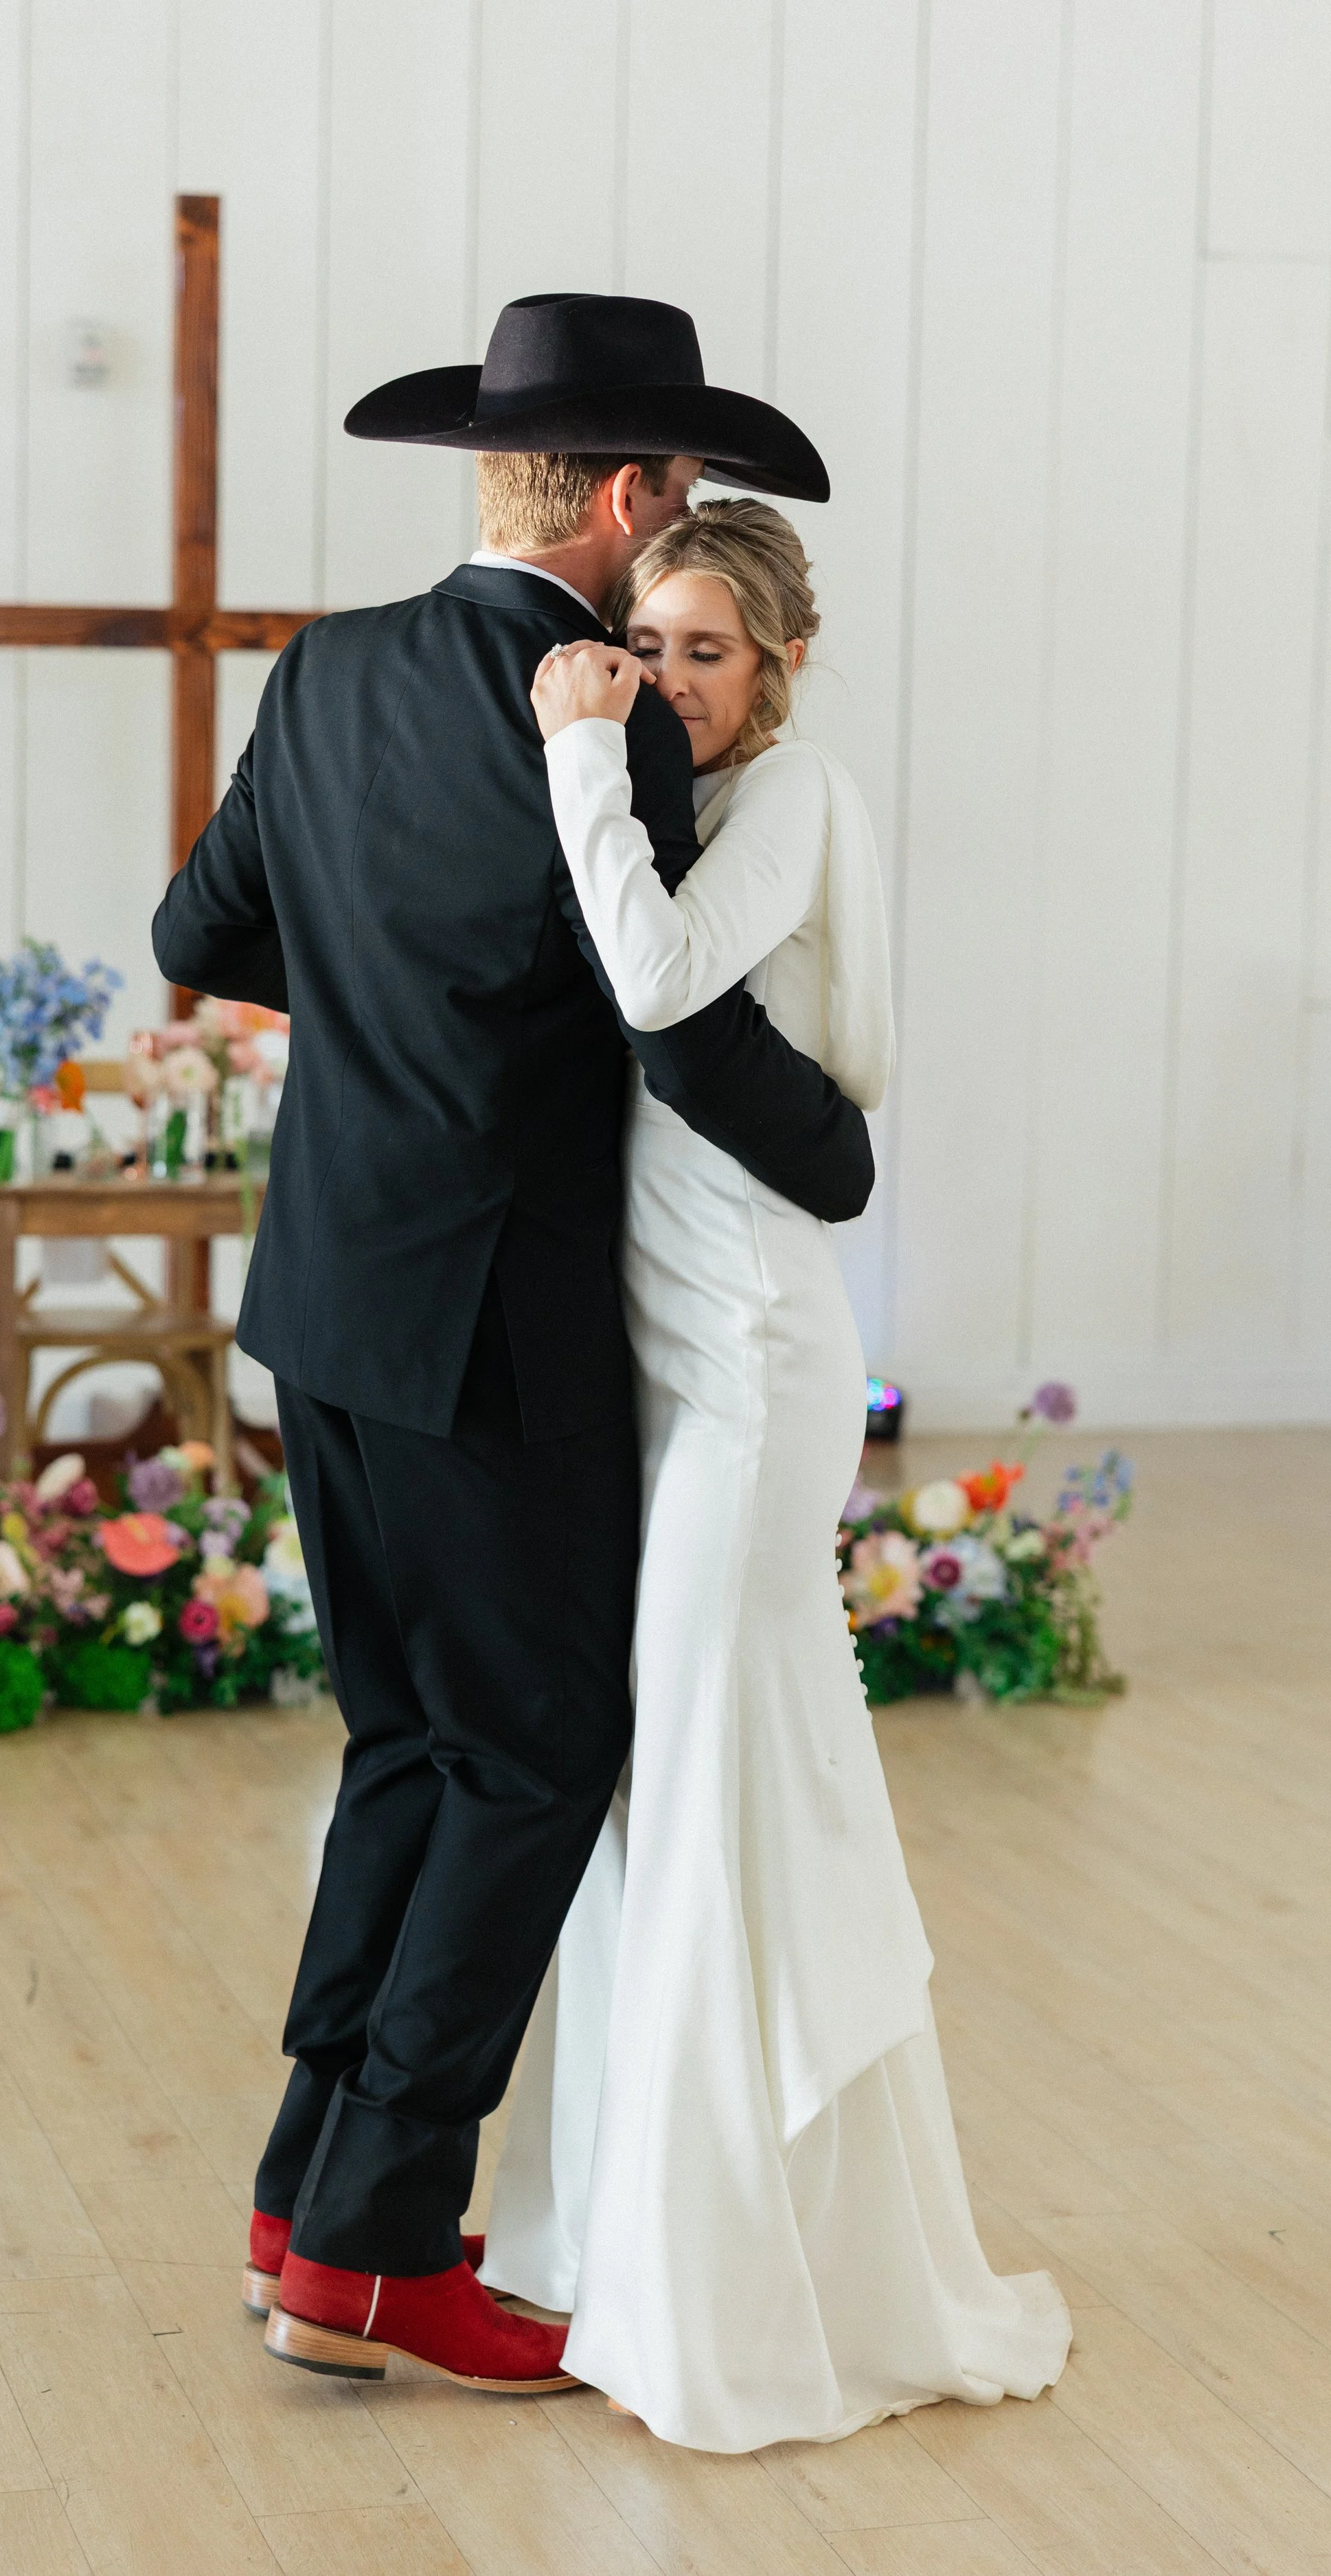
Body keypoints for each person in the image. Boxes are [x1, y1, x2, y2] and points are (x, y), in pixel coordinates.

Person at [152, 294, 871, 2395]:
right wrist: (829, 1152)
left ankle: (309, 2187)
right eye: (682, 496)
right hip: (495, 1328)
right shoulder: (605, 718)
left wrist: (376, 992)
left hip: (325, 1301)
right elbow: (659, 1000)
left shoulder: (327, 667)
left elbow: (202, 936)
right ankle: (372, 2243)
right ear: (633, 489)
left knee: (407, 1742)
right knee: (536, 1747)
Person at [483, 498, 1073, 2448]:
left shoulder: (789, 793)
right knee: (672, 1790)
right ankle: (638, 2236)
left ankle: (730, 2282)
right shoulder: (692, 804)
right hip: (660, 1360)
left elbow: (658, 988)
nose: (660, 679)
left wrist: (575, 742)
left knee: (721, 1783)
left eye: (698, 650)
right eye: (639, 645)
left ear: (780, 664)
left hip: (747, 1356)